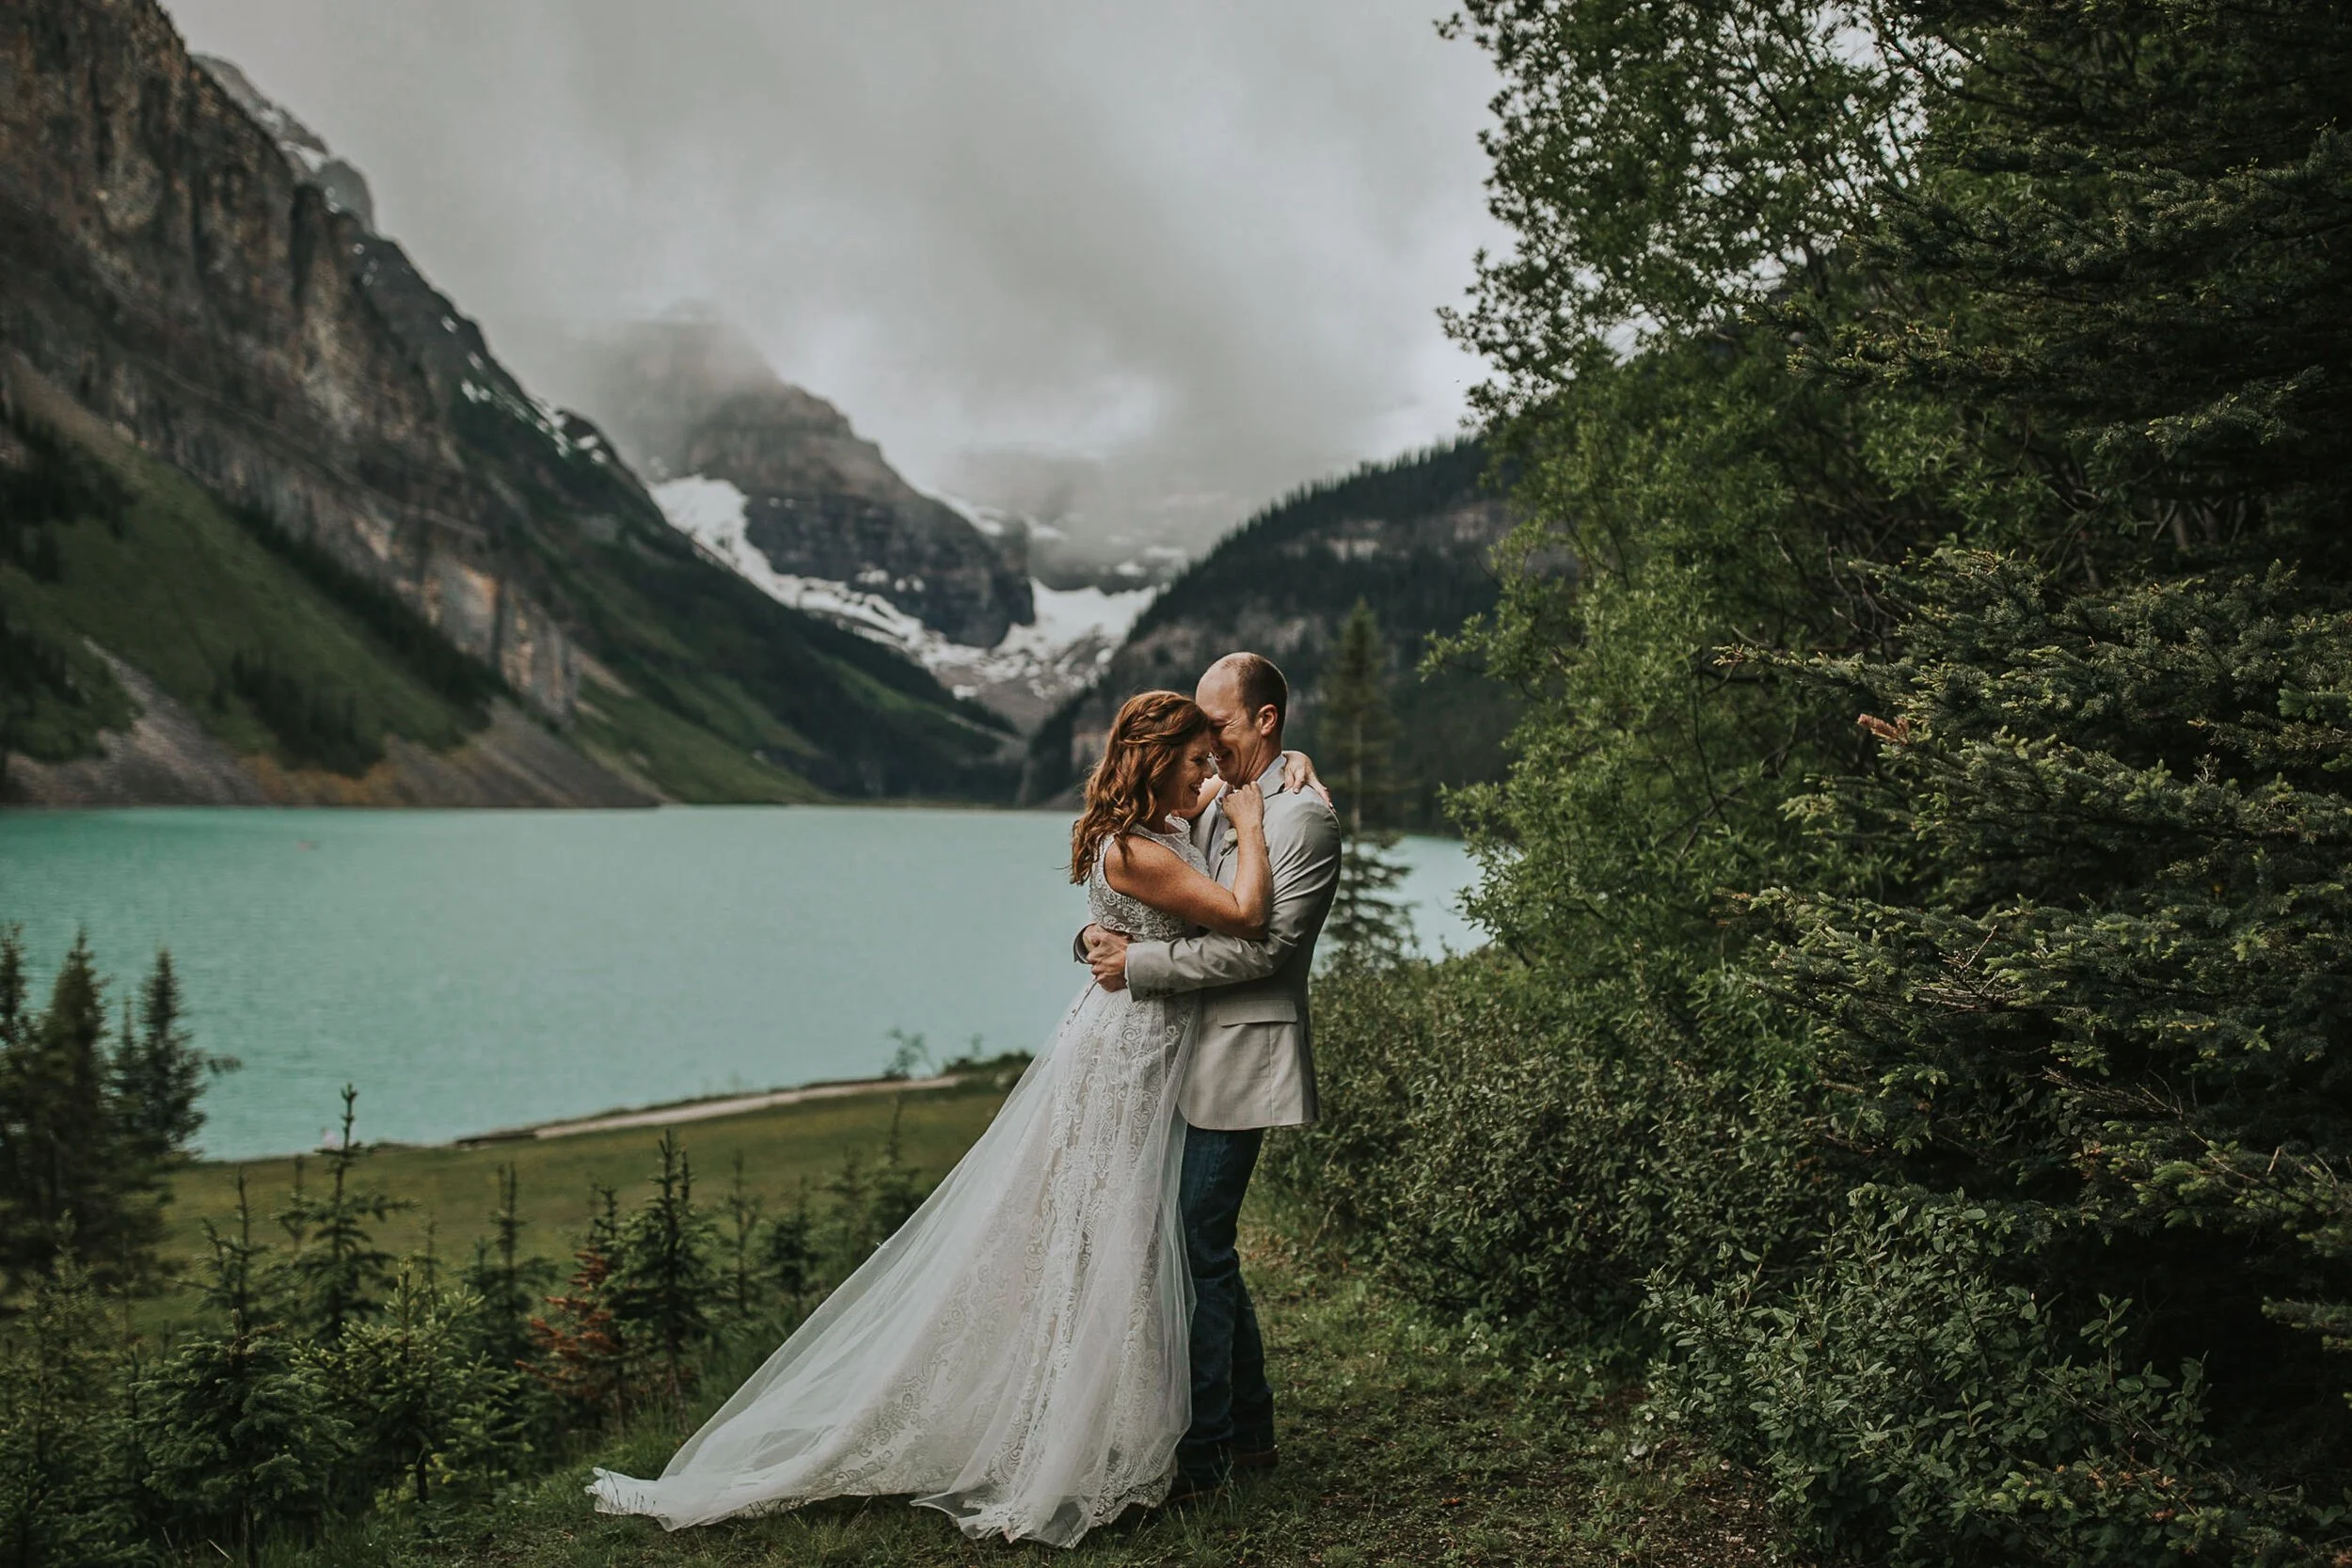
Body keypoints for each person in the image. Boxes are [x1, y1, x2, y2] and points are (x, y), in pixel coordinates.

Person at [588, 689, 1316, 1547]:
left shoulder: (1162, 819)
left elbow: (1225, 802)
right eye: (1194, 760)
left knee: (1151, 1238)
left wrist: (1286, 769)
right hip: (1126, 1055)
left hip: (1152, 1046)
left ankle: (1166, 1425)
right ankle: (1095, 1431)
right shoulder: (1137, 846)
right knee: (1117, 1235)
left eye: (1210, 758)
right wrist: (1254, 828)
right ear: (1159, 763)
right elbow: (1245, 915)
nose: (1208, 773)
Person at [1080, 651, 1343, 1498]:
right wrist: (1094, 939)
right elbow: (1149, 883)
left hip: (1242, 1057)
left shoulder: (1301, 820)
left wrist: (1137, 966)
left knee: (1196, 1242)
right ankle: (1249, 1429)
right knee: (1202, 1244)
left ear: (1265, 721)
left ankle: (1205, 1455)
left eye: (1219, 724)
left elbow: (1262, 949)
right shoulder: (1216, 793)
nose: (1205, 740)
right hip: (1172, 1053)